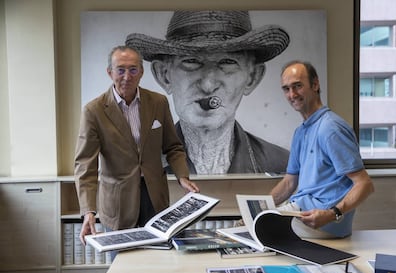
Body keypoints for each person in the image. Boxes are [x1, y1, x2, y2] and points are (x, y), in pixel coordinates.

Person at [125, 11, 290, 175]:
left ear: (252, 77)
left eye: (227, 62)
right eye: (191, 61)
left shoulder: (283, 166)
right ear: (164, 75)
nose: (208, 85)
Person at [74, 45, 200, 249]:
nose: (127, 76)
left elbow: (173, 147)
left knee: (159, 262)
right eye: (120, 70)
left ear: (141, 72)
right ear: (110, 72)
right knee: (124, 264)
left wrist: (182, 176)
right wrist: (88, 210)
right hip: (118, 204)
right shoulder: (93, 111)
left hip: (155, 199)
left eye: (133, 69)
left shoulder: (158, 102)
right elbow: (84, 165)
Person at [270, 60, 375, 238]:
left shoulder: (330, 128)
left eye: (297, 86)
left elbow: (365, 185)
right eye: (286, 89)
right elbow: (289, 183)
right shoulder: (301, 132)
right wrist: (259, 207)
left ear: (315, 84)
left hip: (322, 221)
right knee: (254, 222)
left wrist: (332, 214)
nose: (292, 94)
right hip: (301, 209)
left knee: (261, 231)